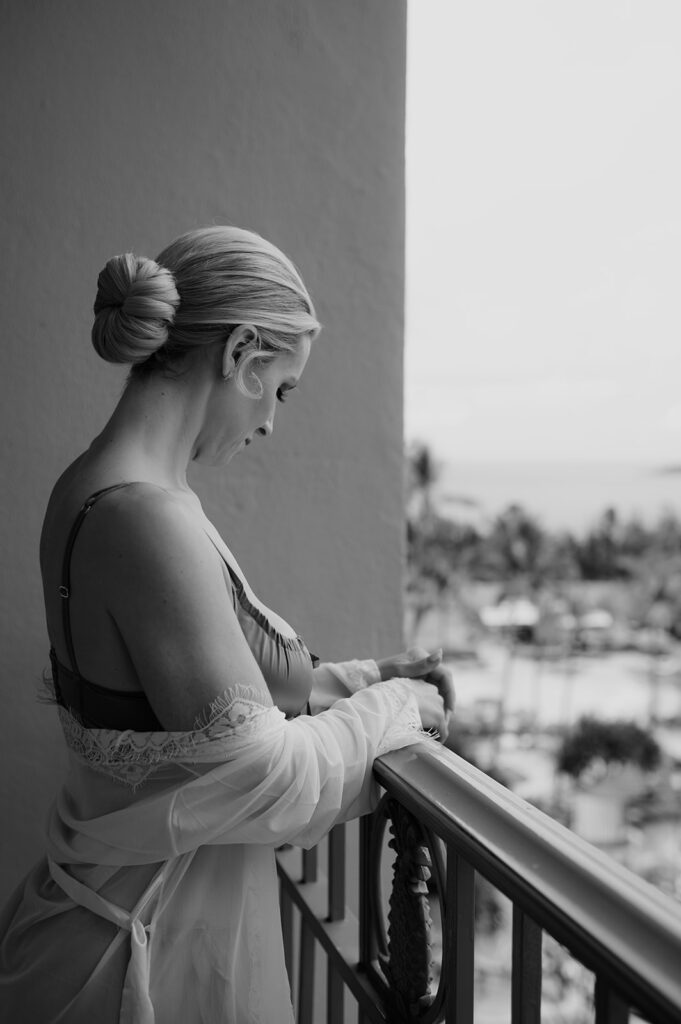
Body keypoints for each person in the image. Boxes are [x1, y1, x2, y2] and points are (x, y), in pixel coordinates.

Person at [0, 226, 454, 1023]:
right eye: (279, 389)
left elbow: (200, 696)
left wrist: (357, 680)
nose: (273, 422)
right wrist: (393, 716)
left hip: (101, 924)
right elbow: (261, 775)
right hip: (138, 965)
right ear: (241, 350)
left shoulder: (91, 488)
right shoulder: (144, 518)